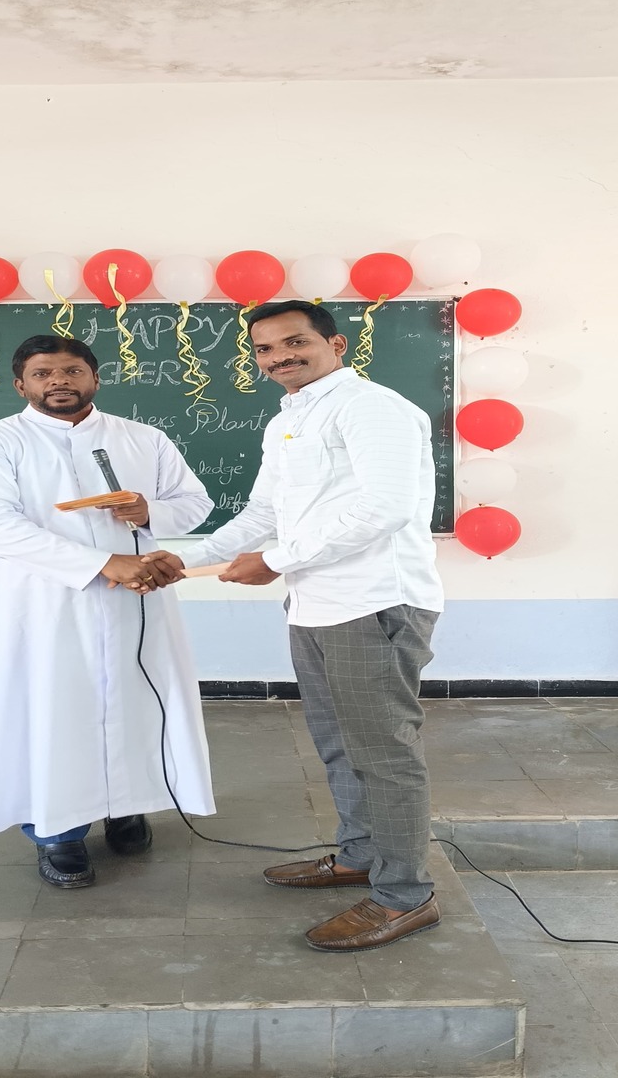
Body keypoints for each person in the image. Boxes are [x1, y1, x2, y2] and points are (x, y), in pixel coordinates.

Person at [145, 300, 444, 952]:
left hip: (373, 604)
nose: (279, 357)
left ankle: (405, 896)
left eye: (295, 342)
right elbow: (263, 513)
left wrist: (276, 561)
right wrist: (184, 559)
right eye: (265, 349)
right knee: (339, 745)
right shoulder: (288, 419)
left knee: (384, 755)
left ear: (335, 344)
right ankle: (362, 856)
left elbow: (385, 507)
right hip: (314, 604)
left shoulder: (371, 407)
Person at [0, 334, 215, 890]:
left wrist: (149, 511)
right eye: (43, 374)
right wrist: (102, 563)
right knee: (52, 713)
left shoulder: (142, 438)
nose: (59, 382)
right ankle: (57, 832)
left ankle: (127, 806)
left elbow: (194, 503)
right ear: (21, 385)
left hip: (133, 605)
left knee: (135, 705)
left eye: (71, 371)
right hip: (39, 608)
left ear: (95, 378)